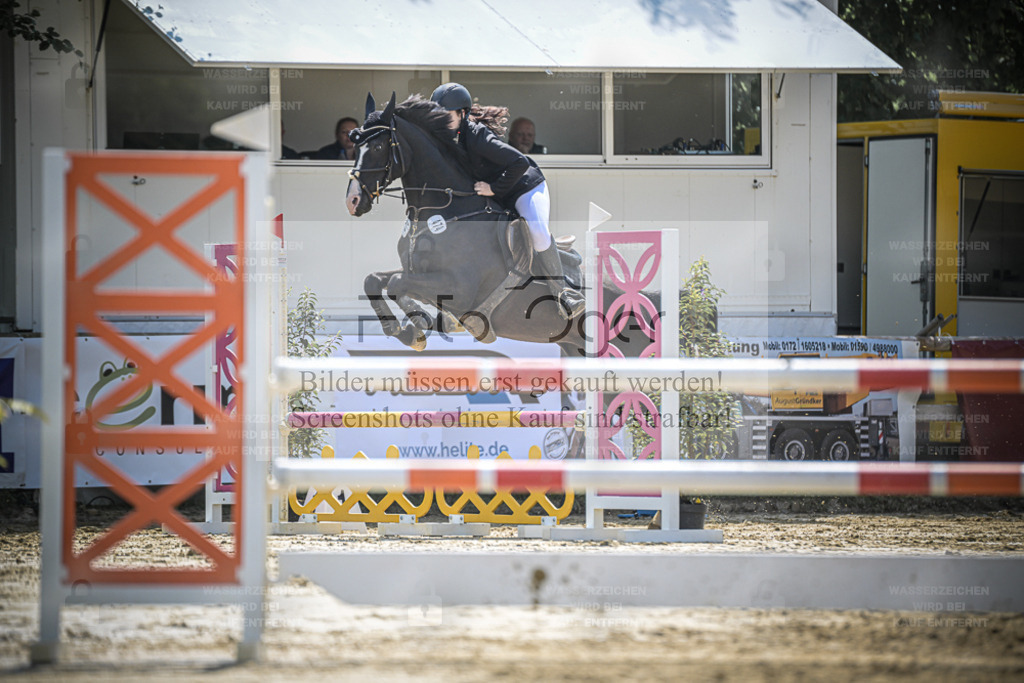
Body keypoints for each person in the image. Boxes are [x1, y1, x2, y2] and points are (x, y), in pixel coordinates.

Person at [430, 83, 584, 319]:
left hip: (525, 188)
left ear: (462, 114)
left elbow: (520, 163)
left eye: (446, 116)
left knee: (538, 231)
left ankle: (563, 292)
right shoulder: (449, 140)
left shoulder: (478, 136)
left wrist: (493, 188)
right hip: (499, 196)